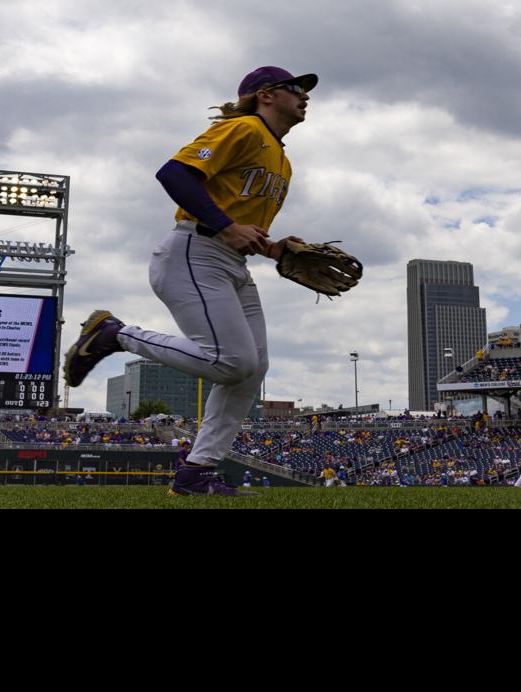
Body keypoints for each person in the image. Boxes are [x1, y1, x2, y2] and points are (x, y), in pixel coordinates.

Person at [61, 65, 324, 497]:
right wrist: (223, 225)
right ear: (266, 94)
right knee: (232, 361)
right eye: (296, 88)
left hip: (231, 263)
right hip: (194, 252)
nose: (305, 96)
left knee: (251, 369)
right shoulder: (243, 129)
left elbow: (241, 228)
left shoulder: (282, 159)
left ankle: (197, 472)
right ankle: (115, 334)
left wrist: (275, 248)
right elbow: (174, 174)